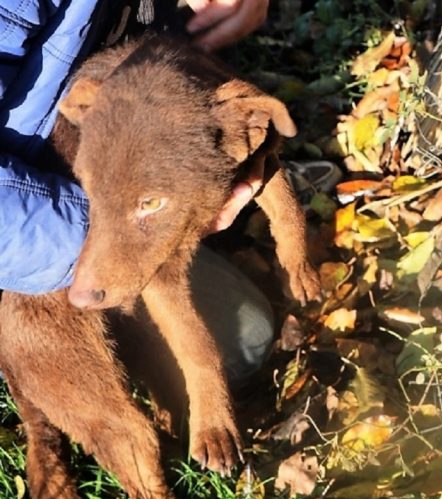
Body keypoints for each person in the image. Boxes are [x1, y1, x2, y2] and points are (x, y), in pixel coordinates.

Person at [0, 0, 275, 385]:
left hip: (137, 142)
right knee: (246, 341)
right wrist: (129, 229)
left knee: (253, 336)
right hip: (38, 236)